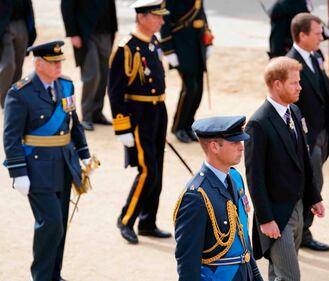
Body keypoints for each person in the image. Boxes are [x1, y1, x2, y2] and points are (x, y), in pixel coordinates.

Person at [3, 40, 91, 281]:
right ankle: (41, 277)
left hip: (64, 163)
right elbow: (11, 137)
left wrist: (84, 153)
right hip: (37, 168)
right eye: (53, 63)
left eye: (60, 61)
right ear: (38, 63)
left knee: (61, 224)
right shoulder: (20, 93)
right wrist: (18, 173)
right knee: (51, 223)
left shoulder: (66, 86)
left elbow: (73, 122)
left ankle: (54, 275)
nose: (58, 66)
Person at [245, 57, 325, 281]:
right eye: (294, 83)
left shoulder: (296, 113)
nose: (300, 87)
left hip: (298, 208)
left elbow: (304, 162)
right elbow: (255, 177)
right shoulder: (258, 124)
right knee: (290, 276)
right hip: (277, 216)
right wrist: (265, 219)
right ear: (277, 84)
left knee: (279, 275)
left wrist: (314, 197)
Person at [108, 0, 171, 244]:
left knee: (158, 168)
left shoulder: (152, 42)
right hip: (139, 115)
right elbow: (115, 91)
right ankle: (126, 219)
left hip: (157, 110)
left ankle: (148, 221)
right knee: (148, 171)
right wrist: (122, 126)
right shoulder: (126, 48)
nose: (162, 21)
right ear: (142, 17)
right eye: (157, 17)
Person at [174, 116, 263, 281]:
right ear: (214, 147)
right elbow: (188, 263)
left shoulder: (235, 179)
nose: (241, 147)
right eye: (234, 143)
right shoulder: (196, 196)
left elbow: (243, 239)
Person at [287, 13, 329, 252]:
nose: (322, 37)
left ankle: (303, 229)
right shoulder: (289, 64)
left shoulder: (315, 56)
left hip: (322, 132)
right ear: (302, 35)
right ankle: (303, 232)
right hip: (305, 137)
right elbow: (288, 104)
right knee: (312, 183)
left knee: (315, 181)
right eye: (317, 34)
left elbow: (323, 92)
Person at [160, 0, 214, 143]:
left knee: (199, 89)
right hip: (181, 46)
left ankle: (189, 124)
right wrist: (168, 50)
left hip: (197, 44)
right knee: (190, 88)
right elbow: (164, 22)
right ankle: (178, 127)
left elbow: (202, 15)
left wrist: (209, 40)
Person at [61, 0, 118, 131]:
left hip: (106, 31)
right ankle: (86, 116)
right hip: (85, 34)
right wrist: (72, 33)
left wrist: (114, 28)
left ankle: (97, 113)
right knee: (92, 75)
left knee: (104, 75)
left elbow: (111, 4)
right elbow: (67, 6)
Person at [0, 0, 36, 108]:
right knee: (8, 65)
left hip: (22, 23)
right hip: (3, 25)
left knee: (18, 66)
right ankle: (4, 100)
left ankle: (13, 99)